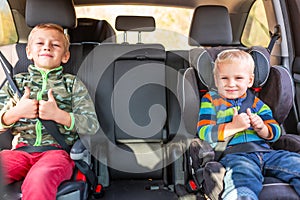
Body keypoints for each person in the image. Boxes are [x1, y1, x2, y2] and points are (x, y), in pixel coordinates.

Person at [0, 23, 99, 200]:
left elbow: (91, 125)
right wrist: (17, 112)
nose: (47, 46)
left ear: (65, 56)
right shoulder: (16, 84)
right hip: (19, 151)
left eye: (55, 44)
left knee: (39, 180)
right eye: (40, 43)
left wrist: (60, 116)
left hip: (56, 153)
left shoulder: (72, 84)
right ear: (29, 52)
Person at [197, 49, 300, 200]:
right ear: (216, 80)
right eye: (224, 78)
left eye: (238, 78)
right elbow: (204, 132)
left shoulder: (257, 103)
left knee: (295, 163)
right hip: (235, 155)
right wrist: (233, 127)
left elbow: (275, 130)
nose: (231, 84)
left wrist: (263, 128)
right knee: (243, 180)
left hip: (267, 153)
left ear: (250, 80)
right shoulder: (211, 100)